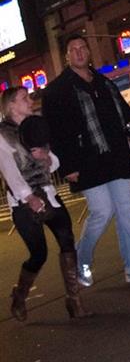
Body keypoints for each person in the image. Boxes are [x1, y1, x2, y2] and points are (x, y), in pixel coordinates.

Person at [42, 34, 130, 285]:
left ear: (89, 52)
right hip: (86, 160)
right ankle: (81, 260)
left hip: (116, 155)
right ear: (67, 56)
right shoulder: (57, 90)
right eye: (74, 49)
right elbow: (56, 132)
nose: (80, 52)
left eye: (83, 48)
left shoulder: (103, 81)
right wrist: (68, 166)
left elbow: (123, 110)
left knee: (126, 210)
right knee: (102, 212)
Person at [0, 86, 90, 321]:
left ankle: (74, 299)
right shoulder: (3, 134)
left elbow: (54, 162)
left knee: (67, 240)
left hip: (48, 192)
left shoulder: (35, 125)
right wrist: (28, 197)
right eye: (24, 98)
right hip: (23, 201)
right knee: (38, 253)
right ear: (11, 106)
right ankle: (20, 295)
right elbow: (9, 170)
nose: (30, 101)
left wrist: (46, 157)